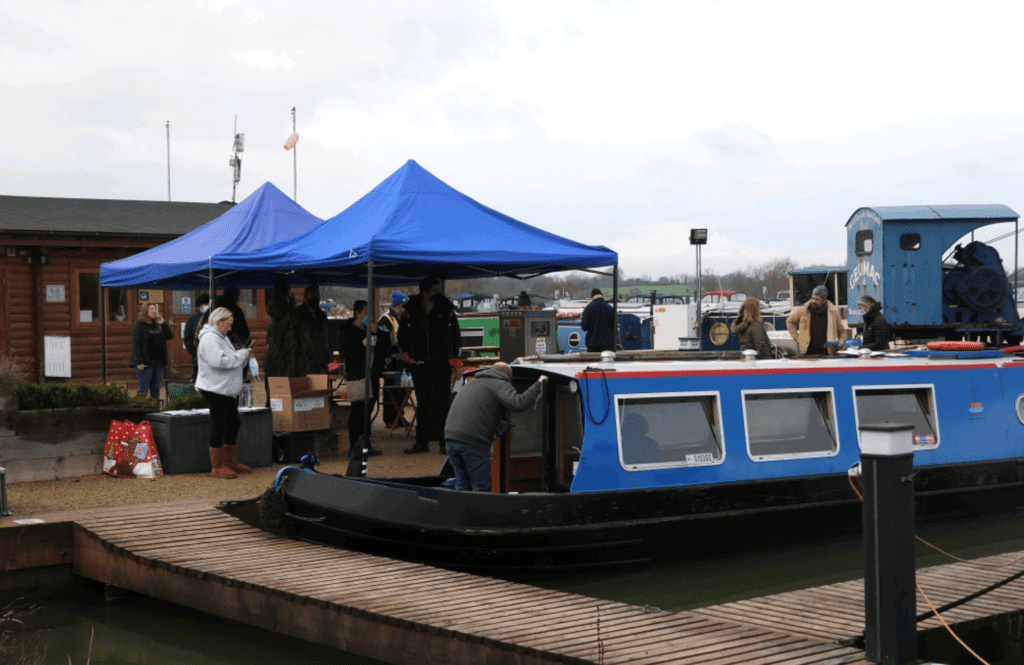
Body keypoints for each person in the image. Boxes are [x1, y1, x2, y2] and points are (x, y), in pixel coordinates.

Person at [444, 362, 547, 491]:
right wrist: (539, 383)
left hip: (451, 439)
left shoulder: (471, 383)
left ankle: (460, 510)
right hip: (472, 442)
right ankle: (481, 511)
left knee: (462, 486)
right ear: (508, 377)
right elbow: (518, 403)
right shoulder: (499, 383)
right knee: (482, 488)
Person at [398, 276, 462, 454]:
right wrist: (407, 357)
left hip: (441, 363)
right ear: (425, 292)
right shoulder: (409, 309)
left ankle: (444, 443)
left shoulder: (446, 307)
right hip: (419, 364)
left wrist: (457, 363)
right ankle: (421, 443)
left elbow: (456, 337)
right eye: (434, 291)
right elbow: (401, 337)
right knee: (422, 403)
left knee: (442, 403)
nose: (438, 294)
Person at [195, 307, 254, 479]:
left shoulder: (220, 337)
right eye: (228, 325)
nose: (230, 328)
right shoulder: (210, 339)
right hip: (216, 389)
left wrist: (241, 356)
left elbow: (228, 357)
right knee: (219, 425)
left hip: (225, 389)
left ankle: (230, 462)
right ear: (220, 322)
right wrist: (243, 354)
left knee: (233, 423)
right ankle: (218, 465)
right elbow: (219, 361)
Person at [339, 300, 384, 456]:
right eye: (366, 313)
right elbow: (345, 353)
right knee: (357, 410)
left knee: (368, 409)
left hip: (371, 374)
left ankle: (366, 443)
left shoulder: (368, 329)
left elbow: (379, 348)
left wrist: (375, 333)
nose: (368, 317)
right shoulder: (347, 330)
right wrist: (362, 343)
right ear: (357, 313)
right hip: (356, 374)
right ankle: (354, 446)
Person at [786, 285, 847, 356]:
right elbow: (789, 321)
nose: (813, 301)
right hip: (807, 353)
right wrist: (797, 338)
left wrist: (841, 343)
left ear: (824, 300)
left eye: (817, 299)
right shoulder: (804, 310)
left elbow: (842, 331)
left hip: (827, 354)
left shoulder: (833, 312)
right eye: (812, 298)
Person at [378, 291, 409, 428]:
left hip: (402, 361)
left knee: (402, 390)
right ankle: (389, 419)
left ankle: (400, 417)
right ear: (399, 304)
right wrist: (386, 356)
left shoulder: (402, 318)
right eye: (405, 304)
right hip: (391, 361)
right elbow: (381, 340)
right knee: (390, 391)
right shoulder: (385, 319)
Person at [129, 303, 173, 400]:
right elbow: (136, 344)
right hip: (145, 362)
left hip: (159, 362)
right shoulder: (139, 325)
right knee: (143, 389)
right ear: (146, 311)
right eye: (151, 309)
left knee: (156, 389)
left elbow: (170, 336)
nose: (154, 311)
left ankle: (155, 410)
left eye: (155, 309)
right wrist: (139, 361)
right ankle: (140, 411)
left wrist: (163, 323)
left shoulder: (158, 324)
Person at [295, 284, 333, 374]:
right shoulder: (297, 314)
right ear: (305, 297)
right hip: (305, 364)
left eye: (317, 295)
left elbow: (328, 337)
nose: (315, 297)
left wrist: (330, 357)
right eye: (312, 295)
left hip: (323, 362)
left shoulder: (322, 315)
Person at [183, 293, 210, 383]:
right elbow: (187, 339)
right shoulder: (192, 319)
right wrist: (196, 353)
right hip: (198, 360)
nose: (206, 306)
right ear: (199, 306)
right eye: (204, 304)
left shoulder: (215, 317)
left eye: (207, 304)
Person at [581, 288, 615, 353]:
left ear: (592, 297)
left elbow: (584, 327)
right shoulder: (610, 308)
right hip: (608, 344)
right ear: (602, 296)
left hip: (593, 344)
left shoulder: (588, 308)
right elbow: (614, 326)